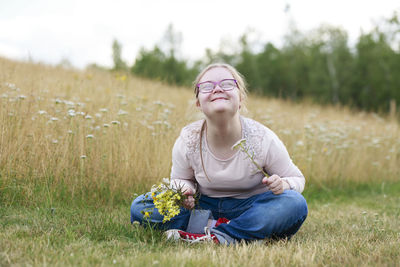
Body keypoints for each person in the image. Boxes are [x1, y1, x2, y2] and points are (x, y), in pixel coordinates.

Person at [130, 63, 308, 245]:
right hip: (202, 207)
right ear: (198, 102)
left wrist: (283, 184)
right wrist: (185, 190)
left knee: (294, 203)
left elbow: (297, 178)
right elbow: (179, 179)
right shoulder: (188, 138)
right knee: (141, 206)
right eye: (207, 86)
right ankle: (238, 233)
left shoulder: (262, 138)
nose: (217, 89)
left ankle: (212, 233)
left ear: (241, 98)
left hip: (252, 207)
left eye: (227, 84)